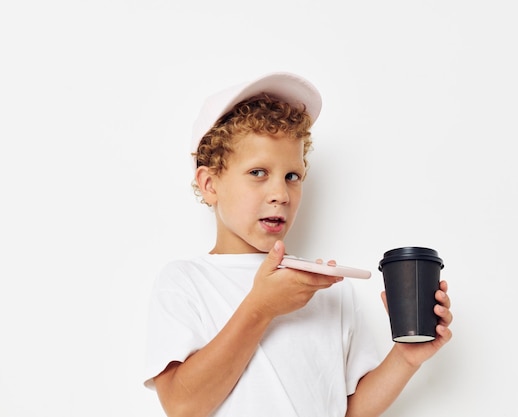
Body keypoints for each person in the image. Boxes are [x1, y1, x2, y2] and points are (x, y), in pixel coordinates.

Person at [143, 72, 453, 417]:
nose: (280, 194)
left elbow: (349, 411)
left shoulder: (328, 290)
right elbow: (183, 406)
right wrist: (260, 308)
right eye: (258, 172)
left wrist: (406, 358)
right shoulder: (186, 282)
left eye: (292, 176)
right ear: (210, 184)